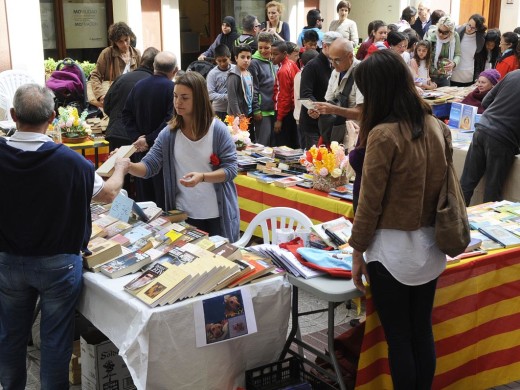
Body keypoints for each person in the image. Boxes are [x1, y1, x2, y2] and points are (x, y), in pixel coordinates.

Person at [0, 84, 128, 390]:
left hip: (8, 260)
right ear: (54, 117)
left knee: (10, 335)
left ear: (13, 115)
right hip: (59, 264)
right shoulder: (71, 162)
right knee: (55, 340)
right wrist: (121, 167)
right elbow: (109, 194)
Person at [348, 49, 449, 390]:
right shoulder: (436, 125)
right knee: (421, 330)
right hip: (432, 245)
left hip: (392, 250)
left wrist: (356, 251)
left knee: (400, 339)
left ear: (377, 90)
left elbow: (369, 203)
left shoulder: (384, 134)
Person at [127, 72, 240, 242]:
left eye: (185, 98)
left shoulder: (217, 130)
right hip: (183, 214)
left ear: (199, 99)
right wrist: (127, 166)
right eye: (175, 96)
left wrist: (202, 177)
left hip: (217, 214)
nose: (178, 102)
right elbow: (149, 166)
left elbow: (231, 170)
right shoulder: (169, 133)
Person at [122, 51, 178, 208]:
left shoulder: (139, 86)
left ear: (154, 67)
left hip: (140, 151)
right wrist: (148, 139)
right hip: (163, 152)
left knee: (144, 200)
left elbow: (126, 115)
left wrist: (138, 139)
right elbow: (171, 120)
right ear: (175, 70)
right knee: (162, 201)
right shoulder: (172, 89)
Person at [460, 70, 520, 205]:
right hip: (503, 138)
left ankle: (453, 220)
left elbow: (486, 101)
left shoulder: (514, 74)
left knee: (467, 182)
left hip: (483, 128)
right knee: (492, 189)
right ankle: (483, 223)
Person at [104, 47, 159, 151]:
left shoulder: (121, 78)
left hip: (116, 134)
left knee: (117, 166)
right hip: (139, 138)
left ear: (141, 61)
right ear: (155, 65)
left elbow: (106, 106)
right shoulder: (154, 83)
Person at [314, 38, 363, 145]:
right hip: (335, 132)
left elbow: (362, 113)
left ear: (350, 56)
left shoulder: (362, 72)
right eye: (331, 59)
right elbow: (329, 102)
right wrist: (319, 110)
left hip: (355, 134)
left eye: (337, 60)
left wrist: (334, 109)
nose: (333, 64)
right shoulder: (335, 72)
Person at [299, 31, 342, 149]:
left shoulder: (338, 65)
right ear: (325, 46)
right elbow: (305, 94)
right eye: (335, 48)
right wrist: (316, 109)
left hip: (331, 124)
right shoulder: (312, 66)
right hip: (313, 125)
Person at [89, 22, 141, 107]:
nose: (125, 44)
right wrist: (101, 95)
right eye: (120, 41)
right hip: (114, 99)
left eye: (126, 40)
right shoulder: (107, 53)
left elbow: (142, 75)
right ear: (115, 42)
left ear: (130, 37)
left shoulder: (136, 53)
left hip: (132, 99)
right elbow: (95, 75)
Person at [271, 40, 300, 148]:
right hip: (292, 110)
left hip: (284, 113)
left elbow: (284, 97)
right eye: (271, 54)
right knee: (292, 144)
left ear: (284, 54)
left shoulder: (283, 71)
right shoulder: (292, 64)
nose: (272, 57)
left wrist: (279, 119)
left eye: (275, 54)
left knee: (282, 147)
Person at [227, 44, 259, 141]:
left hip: (248, 113)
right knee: (238, 141)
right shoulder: (233, 75)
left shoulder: (248, 73)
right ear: (236, 58)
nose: (246, 60)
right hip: (237, 116)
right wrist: (238, 115)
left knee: (248, 140)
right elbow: (232, 98)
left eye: (248, 57)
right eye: (242, 57)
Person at [249, 32, 276, 145]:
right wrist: (256, 109)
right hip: (262, 110)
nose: (263, 50)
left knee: (273, 144)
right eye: (260, 47)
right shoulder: (254, 63)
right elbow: (253, 88)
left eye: (266, 47)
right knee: (262, 144)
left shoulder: (273, 60)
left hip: (274, 109)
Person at [451, 14, 487, 87]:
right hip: (454, 71)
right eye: (469, 25)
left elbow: (478, 58)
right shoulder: (457, 32)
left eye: (473, 28)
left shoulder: (480, 38)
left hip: (468, 74)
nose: (469, 29)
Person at [426, 15, 461, 87]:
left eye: (445, 32)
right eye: (439, 30)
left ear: (450, 32)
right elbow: (425, 58)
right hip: (431, 76)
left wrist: (453, 64)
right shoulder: (431, 37)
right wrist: (435, 71)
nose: (441, 34)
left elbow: (458, 54)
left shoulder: (455, 36)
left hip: (446, 76)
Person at [207, 44, 235, 122]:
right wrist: (227, 97)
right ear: (215, 60)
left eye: (224, 60)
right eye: (219, 61)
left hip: (233, 109)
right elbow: (210, 94)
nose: (222, 63)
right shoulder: (212, 74)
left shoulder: (236, 69)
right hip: (218, 110)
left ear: (229, 58)